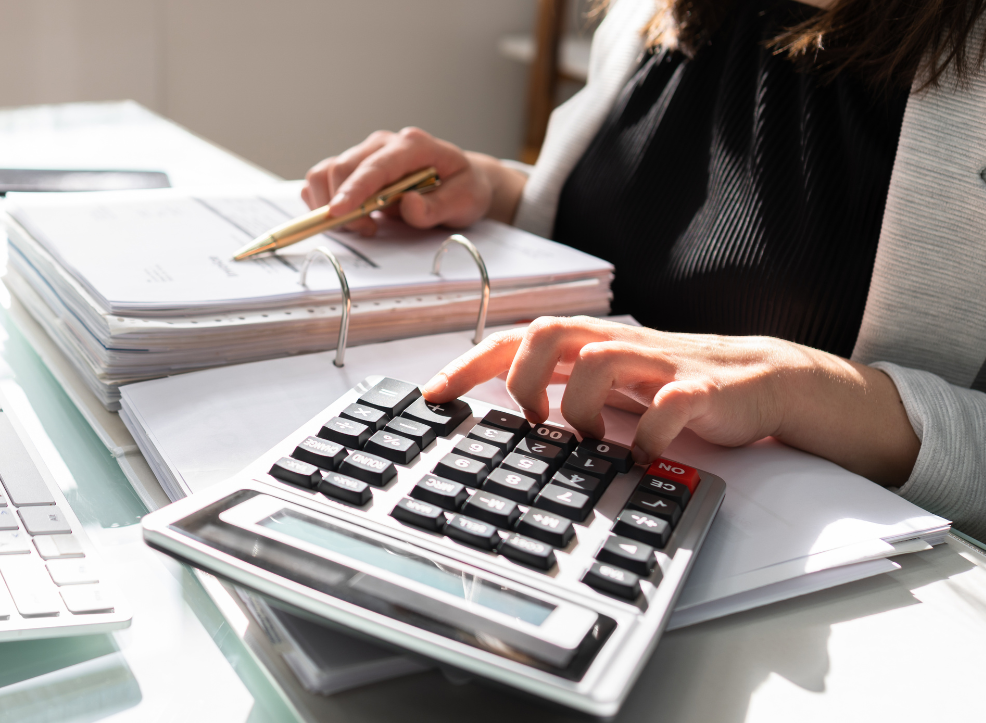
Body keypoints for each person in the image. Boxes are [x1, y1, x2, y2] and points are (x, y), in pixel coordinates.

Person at [301, 0, 986, 538]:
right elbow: (649, 235)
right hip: (574, 487)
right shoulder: (651, 9)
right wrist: (494, 189)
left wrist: (801, 386)